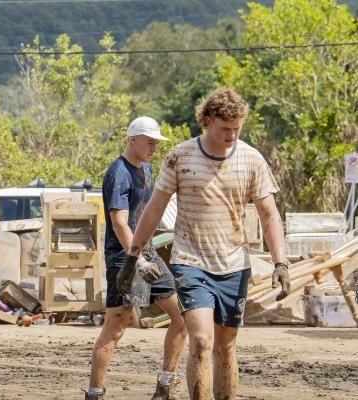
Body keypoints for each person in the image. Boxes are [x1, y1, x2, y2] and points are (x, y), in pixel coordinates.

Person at [118, 88, 290, 400]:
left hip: (234, 265)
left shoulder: (252, 159)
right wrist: (133, 256)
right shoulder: (180, 156)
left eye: (237, 128)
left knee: (225, 347)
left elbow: (269, 213)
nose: (232, 135)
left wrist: (281, 262)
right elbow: (154, 208)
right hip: (191, 261)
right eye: (225, 128)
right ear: (207, 121)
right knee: (200, 339)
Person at [84, 117, 187, 400]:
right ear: (132, 139)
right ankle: (94, 394)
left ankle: (165, 385)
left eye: (156, 142)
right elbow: (120, 224)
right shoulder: (119, 173)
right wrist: (137, 261)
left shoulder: (149, 171)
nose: (154, 147)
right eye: (149, 141)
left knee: (182, 318)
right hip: (125, 259)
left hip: (150, 253)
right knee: (115, 328)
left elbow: (150, 213)